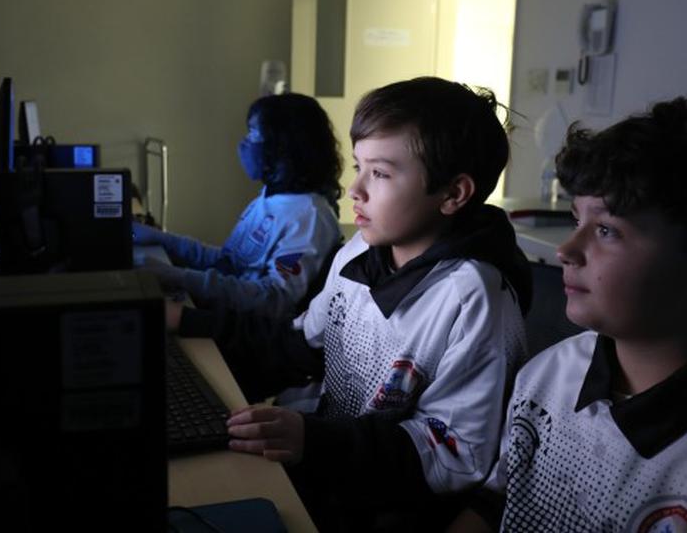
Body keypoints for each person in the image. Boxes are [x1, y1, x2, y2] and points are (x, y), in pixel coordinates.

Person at [171, 77, 532, 530]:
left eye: (380, 173)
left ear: (453, 193)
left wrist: (314, 441)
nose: (353, 189)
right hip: (333, 466)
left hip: (390, 505)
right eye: (358, 166)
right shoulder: (359, 252)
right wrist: (187, 325)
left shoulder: (474, 297)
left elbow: (456, 452)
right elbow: (301, 344)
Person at [451, 90, 687, 532]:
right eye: (578, 220)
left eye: (606, 230)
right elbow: (499, 497)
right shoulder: (547, 375)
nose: (566, 250)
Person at [133, 93, 343, 318]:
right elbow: (229, 263)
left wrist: (176, 276)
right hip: (225, 316)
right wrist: (162, 240)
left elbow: (273, 300)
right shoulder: (271, 198)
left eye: (253, 133)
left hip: (245, 337)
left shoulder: (310, 217)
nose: (245, 143)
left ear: (283, 145)